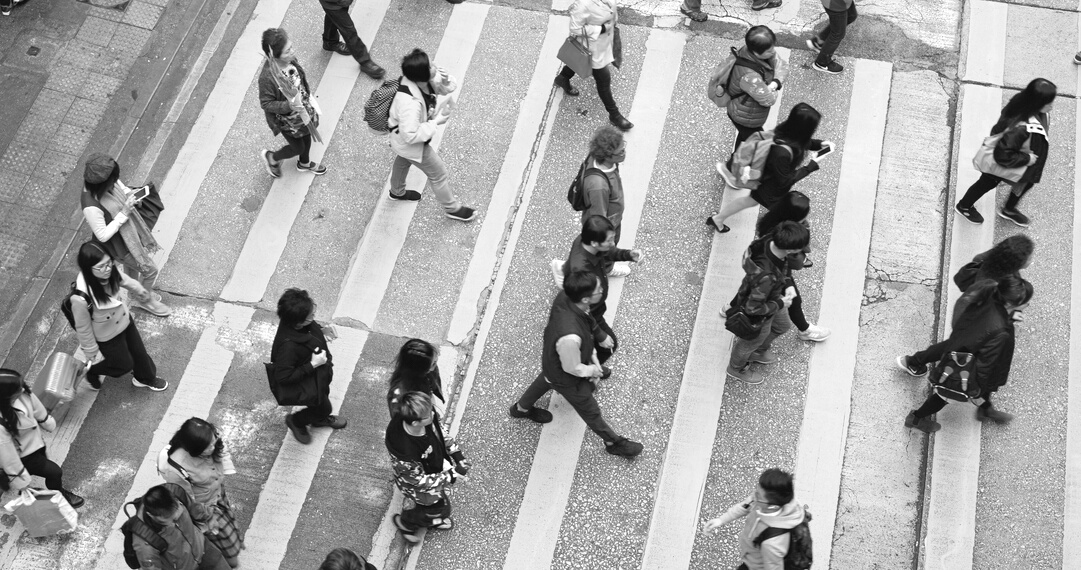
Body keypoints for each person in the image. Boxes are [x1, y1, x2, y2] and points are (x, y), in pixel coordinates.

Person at [509, 270, 644, 457]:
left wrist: (597, 337)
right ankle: (613, 442)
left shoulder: (567, 295)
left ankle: (521, 409)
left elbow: (586, 318)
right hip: (566, 375)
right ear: (586, 299)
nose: (602, 290)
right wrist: (592, 371)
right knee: (590, 410)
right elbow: (572, 368)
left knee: (547, 378)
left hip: (554, 360)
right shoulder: (570, 338)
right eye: (598, 290)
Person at [897, 275, 1032, 433]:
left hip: (959, 351)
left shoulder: (988, 297)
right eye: (1026, 302)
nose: (1028, 305)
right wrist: (976, 389)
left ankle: (986, 409)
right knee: (945, 396)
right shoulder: (1000, 331)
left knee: (981, 394)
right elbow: (985, 366)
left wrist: (1009, 317)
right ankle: (916, 418)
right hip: (963, 369)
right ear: (1010, 303)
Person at [708, 103, 832, 234]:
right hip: (771, 188)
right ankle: (780, 233)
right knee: (783, 210)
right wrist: (810, 167)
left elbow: (800, 142)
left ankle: (718, 219)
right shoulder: (782, 154)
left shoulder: (785, 132)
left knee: (750, 202)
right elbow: (785, 180)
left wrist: (820, 144)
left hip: (769, 181)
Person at [387, 48, 476, 222]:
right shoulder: (409, 104)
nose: (434, 65)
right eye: (430, 65)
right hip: (410, 143)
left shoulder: (418, 80)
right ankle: (452, 209)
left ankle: (396, 192)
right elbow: (410, 136)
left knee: (403, 160)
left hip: (403, 140)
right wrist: (435, 122)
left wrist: (445, 78)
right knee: (439, 174)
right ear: (421, 75)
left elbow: (444, 89)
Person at [954, 78, 1056, 227]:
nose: (1052, 106)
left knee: (1025, 184)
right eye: (1048, 103)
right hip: (1013, 161)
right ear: (1037, 103)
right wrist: (1027, 159)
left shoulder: (1025, 105)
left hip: (1021, 159)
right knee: (987, 182)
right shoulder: (1021, 127)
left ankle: (1008, 210)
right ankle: (964, 206)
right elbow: (1002, 154)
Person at [81, 153, 171, 317]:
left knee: (132, 267)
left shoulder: (105, 181)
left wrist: (129, 194)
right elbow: (102, 235)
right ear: (103, 184)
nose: (116, 182)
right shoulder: (90, 206)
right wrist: (124, 212)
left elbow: (120, 186)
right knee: (150, 270)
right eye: (113, 180)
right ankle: (145, 300)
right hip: (118, 246)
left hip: (128, 236)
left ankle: (134, 294)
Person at [71, 241, 167, 391]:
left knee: (139, 353)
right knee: (122, 365)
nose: (108, 268)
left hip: (124, 320)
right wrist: (90, 351)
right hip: (106, 335)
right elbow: (83, 327)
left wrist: (140, 290)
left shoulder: (110, 271)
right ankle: (92, 371)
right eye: (101, 267)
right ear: (88, 269)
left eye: (109, 262)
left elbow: (126, 281)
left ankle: (146, 378)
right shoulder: (80, 298)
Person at [725, 221, 810, 385]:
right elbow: (752, 308)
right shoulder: (766, 277)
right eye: (801, 249)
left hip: (772, 297)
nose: (804, 252)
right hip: (761, 309)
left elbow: (783, 266)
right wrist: (779, 304)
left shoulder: (771, 241)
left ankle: (758, 351)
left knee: (782, 326)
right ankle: (736, 368)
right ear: (790, 250)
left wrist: (788, 284)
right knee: (751, 341)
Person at [550, 216, 641, 366]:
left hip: (594, 306)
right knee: (609, 346)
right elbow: (582, 309)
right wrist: (600, 334)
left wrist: (628, 255)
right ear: (594, 243)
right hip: (592, 312)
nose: (613, 243)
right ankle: (588, 372)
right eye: (609, 241)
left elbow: (607, 252)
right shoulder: (580, 272)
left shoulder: (587, 242)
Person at [158, 418, 242, 568]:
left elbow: (222, 450)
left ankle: (230, 558)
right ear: (194, 449)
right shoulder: (176, 469)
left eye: (213, 441)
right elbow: (187, 501)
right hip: (206, 509)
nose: (212, 447)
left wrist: (226, 469)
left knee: (230, 534)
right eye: (207, 447)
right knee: (226, 544)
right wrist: (208, 519)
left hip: (218, 496)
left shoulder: (209, 437)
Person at [386, 391, 469, 543]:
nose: (433, 414)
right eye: (428, 415)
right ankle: (407, 523)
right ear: (415, 423)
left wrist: (457, 455)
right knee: (437, 509)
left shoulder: (423, 416)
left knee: (438, 507)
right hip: (419, 486)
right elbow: (418, 482)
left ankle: (429, 519)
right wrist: (450, 475)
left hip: (433, 470)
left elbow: (441, 432)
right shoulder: (404, 452)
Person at [271, 288, 347, 445]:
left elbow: (310, 326)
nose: (314, 317)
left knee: (323, 396)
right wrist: (313, 364)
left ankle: (317, 417)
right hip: (310, 380)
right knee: (323, 406)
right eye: (311, 316)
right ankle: (297, 421)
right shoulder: (288, 348)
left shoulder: (296, 322)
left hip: (319, 374)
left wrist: (321, 330)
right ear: (299, 322)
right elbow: (283, 377)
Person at [0, 369, 84, 508]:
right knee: (55, 472)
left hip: (33, 445)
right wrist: (23, 483)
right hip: (21, 456)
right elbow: (9, 458)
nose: (22, 390)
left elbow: (34, 404)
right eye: (17, 390)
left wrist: (45, 419)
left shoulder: (19, 392)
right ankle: (59, 494)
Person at [755, 192, 829, 342]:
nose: (807, 217)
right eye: (805, 215)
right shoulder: (789, 239)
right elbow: (796, 260)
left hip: (773, 266)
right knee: (795, 300)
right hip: (780, 270)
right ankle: (804, 330)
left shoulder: (770, 222)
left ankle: (730, 306)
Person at [701, 468, 807, 570]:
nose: (753, 496)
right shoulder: (766, 501)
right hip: (751, 557)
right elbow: (746, 505)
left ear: (773, 507)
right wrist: (721, 520)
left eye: (758, 495)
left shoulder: (772, 544)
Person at [554, 0, 634, 131]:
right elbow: (575, 28)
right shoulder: (582, 5)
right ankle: (614, 115)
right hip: (593, 48)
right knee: (603, 80)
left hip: (605, 42)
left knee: (578, 62)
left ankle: (563, 78)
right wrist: (601, 29)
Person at [259, 28, 327, 179]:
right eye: (287, 51)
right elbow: (266, 104)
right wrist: (288, 106)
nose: (292, 52)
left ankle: (304, 163)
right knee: (297, 147)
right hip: (287, 120)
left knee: (307, 133)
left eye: (291, 47)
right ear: (274, 56)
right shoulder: (267, 78)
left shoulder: (290, 61)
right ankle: (272, 158)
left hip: (304, 110)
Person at [129, 484, 231, 570]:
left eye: (177, 512)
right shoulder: (144, 543)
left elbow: (195, 508)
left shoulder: (175, 491)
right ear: (151, 515)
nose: (176, 520)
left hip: (203, 548)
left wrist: (209, 517)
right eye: (170, 520)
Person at [723, 26, 789, 154]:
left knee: (745, 138)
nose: (773, 52)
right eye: (769, 51)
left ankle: (734, 160)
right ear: (757, 53)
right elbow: (768, 100)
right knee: (762, 146)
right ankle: (730, 169)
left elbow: (782, 65)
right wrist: (772, 88)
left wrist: (774, 84)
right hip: (745, 118)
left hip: (746, 112)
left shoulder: (749, 50)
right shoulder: (750, 77)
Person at [316, 0, 385, 79]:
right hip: (334, 2)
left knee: (333, 17)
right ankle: (365, 61)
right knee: (349, 32)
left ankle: (330, 42)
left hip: (337, 3)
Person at [386, 338, 445, 418]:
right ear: (420, 369)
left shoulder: (428, 370)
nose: (435, 367)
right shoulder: (399, 396)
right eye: (433, 364)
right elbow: (400, 422)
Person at [806, 0, 857, 75]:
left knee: (851, 16)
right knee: (837, 34)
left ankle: (819, 42)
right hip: (835, 4)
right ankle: (822, 63)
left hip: (841, 3)